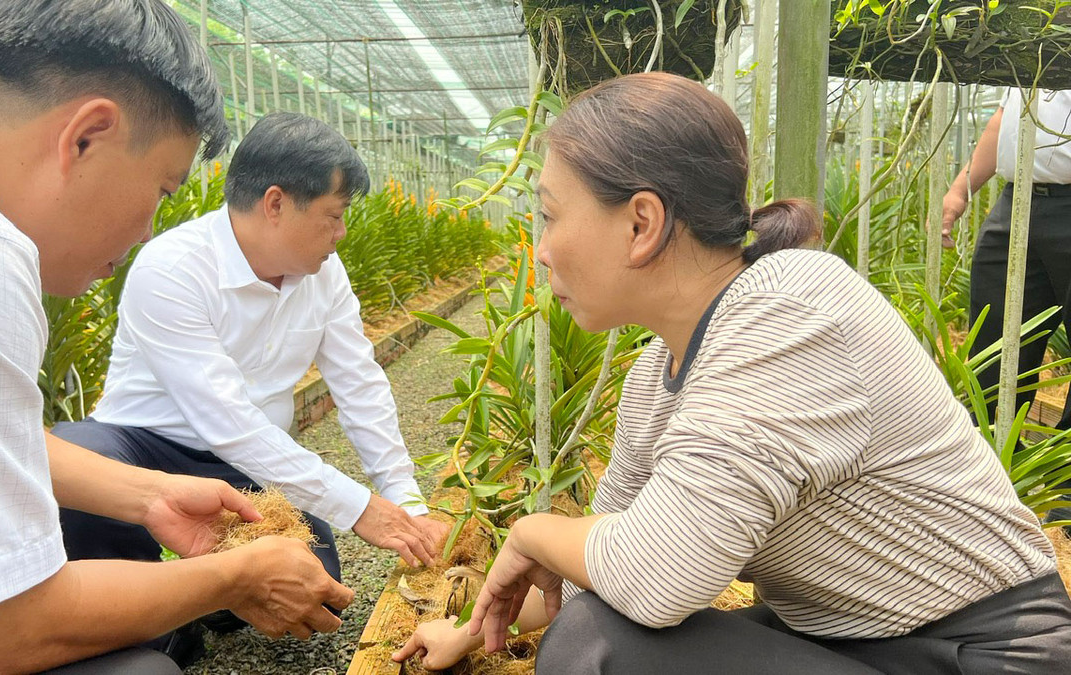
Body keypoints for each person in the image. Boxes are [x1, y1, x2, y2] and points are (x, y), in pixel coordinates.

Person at [392, 72, 1071, 674]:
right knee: (594, 631)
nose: (540, 251)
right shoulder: (657, 372)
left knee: (595, 648)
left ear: (641, 223)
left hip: (978, 651)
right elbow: (607, 566)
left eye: (548, 214)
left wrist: (532, 529)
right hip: (845, 639)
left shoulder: (791, 315)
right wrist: (470, 631)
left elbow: (656, 575)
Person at [0, 2, 353, 674]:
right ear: (87, 136)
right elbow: (7, 633)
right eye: (161, 188)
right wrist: (235, 576)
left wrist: (150, 496)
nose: (148, 231)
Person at [51, 112, 449, 598]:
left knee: (317, 586)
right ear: (276, 203)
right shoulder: (174, 268)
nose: (341, 232)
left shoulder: (325, 275)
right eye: (334, 214)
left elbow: (358, 384)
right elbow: (228, 421)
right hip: (146, 449)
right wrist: (363, 510)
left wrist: (408, 502)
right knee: (83, 458)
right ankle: (142, 615)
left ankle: (211, 598)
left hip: (250, 464)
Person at [942, 89, 1071, 528]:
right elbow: (1002, 118)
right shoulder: (1031, 32)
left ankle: (1065, 488)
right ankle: (989, 474)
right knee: (993, 343)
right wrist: (961, 189)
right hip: (1016, 201)